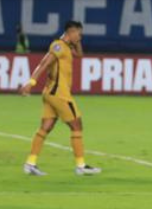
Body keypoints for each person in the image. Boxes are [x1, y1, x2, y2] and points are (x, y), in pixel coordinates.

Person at [19, 21, 101, 176]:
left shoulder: (67, 46)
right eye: (78, 34)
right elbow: (44, 63)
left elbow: (80, 55)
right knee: (77, 125)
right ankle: (81, 166)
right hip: (59, 94)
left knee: (46, 127)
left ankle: (30, 163)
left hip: (50, 93)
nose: (80, 37)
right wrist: (31, 82)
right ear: (70, 32)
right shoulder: (58, 46)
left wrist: (76, 41)